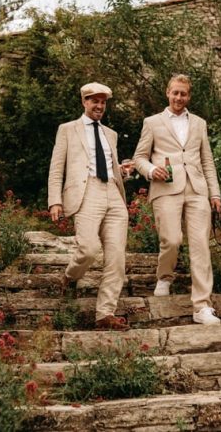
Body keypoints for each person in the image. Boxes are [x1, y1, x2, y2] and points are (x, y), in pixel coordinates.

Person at [133, 74, 221, 325]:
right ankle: (164, 276)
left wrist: (214, 194)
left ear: (189, 96)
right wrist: (151, 171)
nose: (179, 98)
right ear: (167, 92)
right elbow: (139, 158)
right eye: (175, 93)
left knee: (200, 246)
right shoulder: (152, 122)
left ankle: (202, 306)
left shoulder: (199, 123)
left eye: (183, 94)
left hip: (197, 189)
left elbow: (207, 161)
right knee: (172, 240)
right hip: (165, 188)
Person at [47, 82, 130, 331]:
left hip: (114, 193)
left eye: (103, 102)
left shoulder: (111, 134)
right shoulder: (68, 130)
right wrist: (55, 200)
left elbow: (111, 165)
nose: (100, 106)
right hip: (86, 192)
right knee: (89, 249)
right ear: (84, 102)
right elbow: (56, 167)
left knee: (116, 258)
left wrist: (123, 172)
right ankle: (70, 277)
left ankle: (105, 314)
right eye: (95, 101)